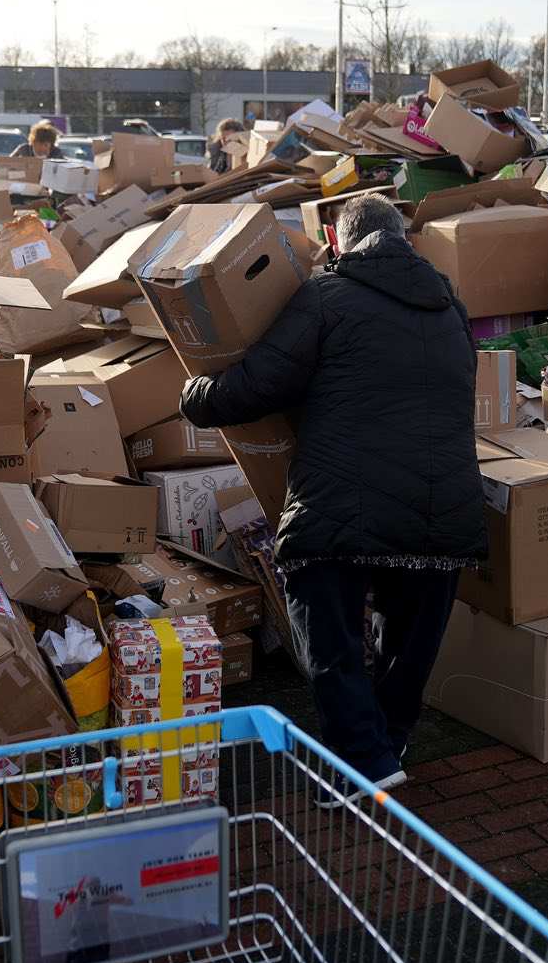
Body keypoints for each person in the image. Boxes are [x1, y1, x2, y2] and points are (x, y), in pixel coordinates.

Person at [178, 193, 486, 799]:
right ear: (403, 240)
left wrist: (195, 394)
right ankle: (388, 742)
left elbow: (257, 385)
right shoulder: (452, 308)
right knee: (412, 637)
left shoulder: (327, 296)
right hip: (444, 506)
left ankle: (361, 762)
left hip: (340, 502)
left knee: (327, 630)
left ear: (339, 241)